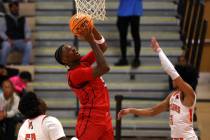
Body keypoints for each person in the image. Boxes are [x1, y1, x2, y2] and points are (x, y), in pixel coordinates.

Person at [118, 37, 198, 140]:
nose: (172, 80)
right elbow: (152, 111)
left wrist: (159, 51)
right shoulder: (172, 96)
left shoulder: (189, 93)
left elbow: (172, 72)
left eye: (174, 78)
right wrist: (131, 110)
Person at [54, 26, 114, 140]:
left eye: (72, 47)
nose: (74, 49)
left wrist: (91, 27)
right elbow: (105, 68)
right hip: (91, 120)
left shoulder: (82, 62)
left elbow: (102, 46)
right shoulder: (74, 74)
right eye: (70, 51)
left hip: (104, 116)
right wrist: (90, 40)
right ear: (65, 60)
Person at [114, 0, 143, 68]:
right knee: (130, 35)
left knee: (131, 35)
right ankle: (133, 59)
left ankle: (133, 59)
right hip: (131, 10)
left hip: (130, 10)